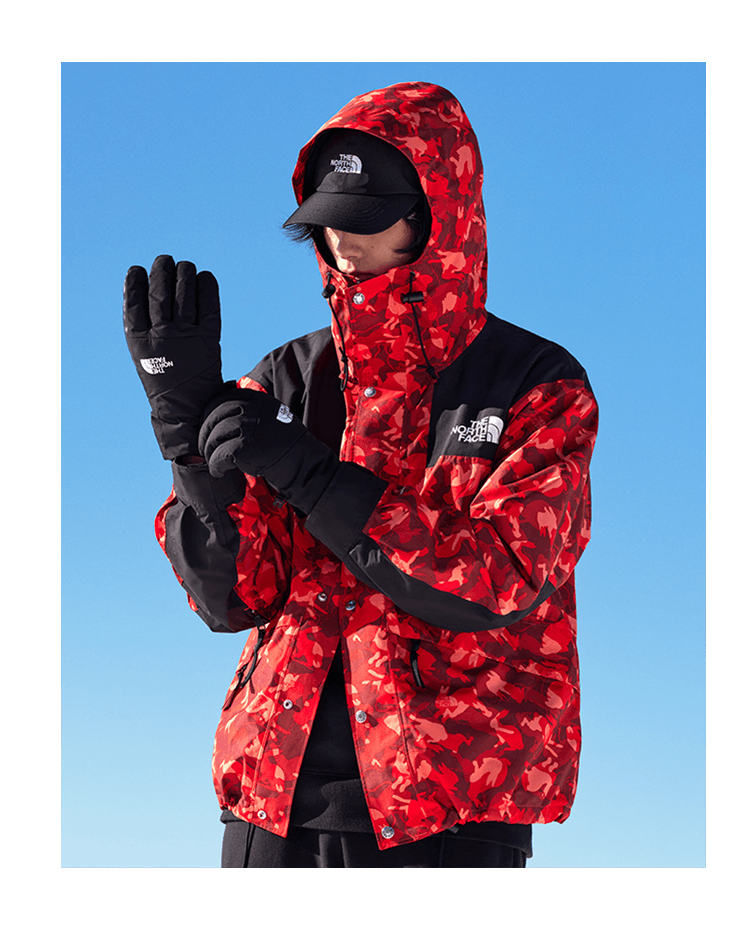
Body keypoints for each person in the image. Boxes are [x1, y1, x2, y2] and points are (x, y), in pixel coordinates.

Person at [123, 81, 598, 868]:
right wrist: (187, 446)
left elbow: (495, 578)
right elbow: (231, 597)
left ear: (440, 213)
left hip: (449, 816)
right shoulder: (287, 376)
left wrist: (311, 477)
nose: (342, 240)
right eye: (327, 219)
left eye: (367, 217)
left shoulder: (535, 385)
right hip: (271, 807)